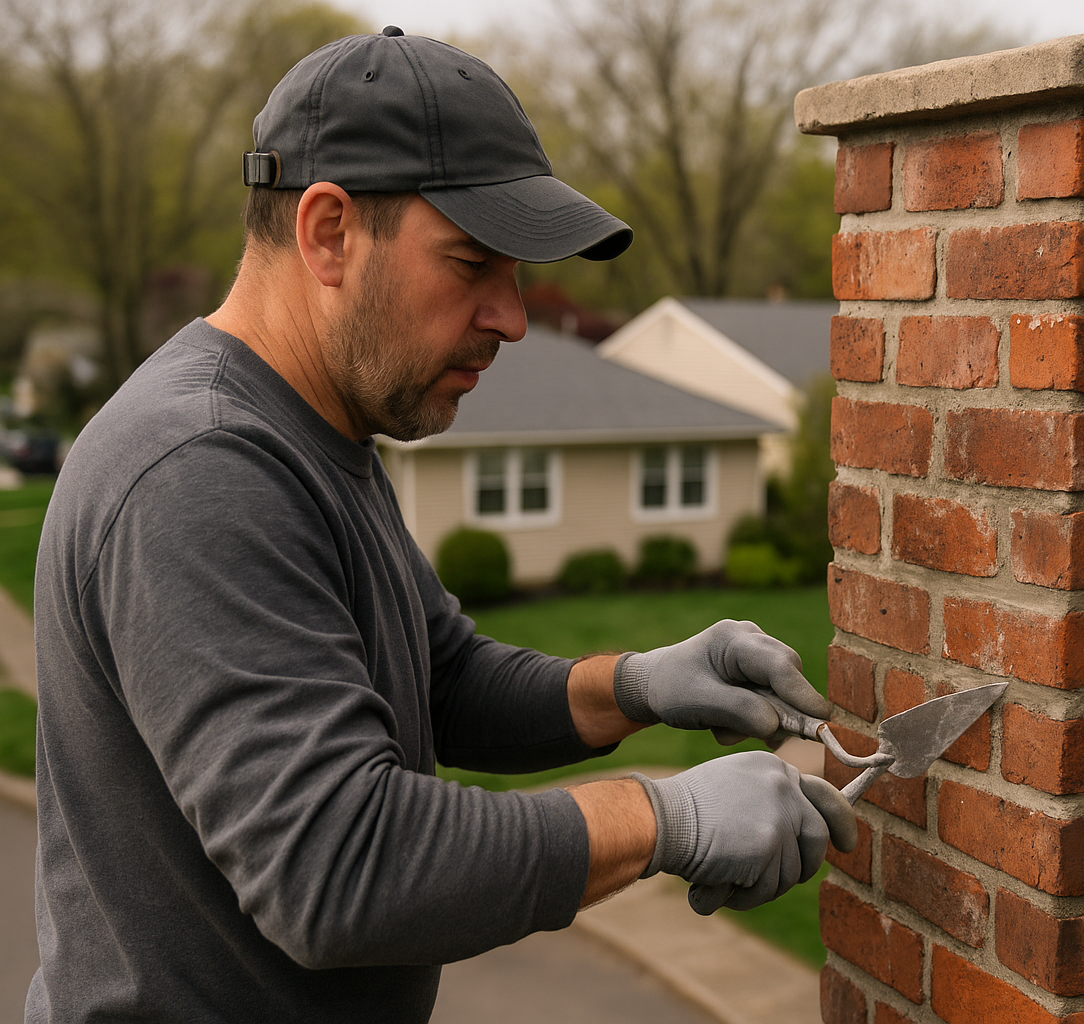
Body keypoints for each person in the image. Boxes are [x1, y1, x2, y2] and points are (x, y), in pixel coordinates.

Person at [28, 27, 854, 1023]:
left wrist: (639, 684)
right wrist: (661, 817)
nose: (513, 316)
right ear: (329, 231)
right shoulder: (198, 468)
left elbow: (439, 678)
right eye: (471, 263)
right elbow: (340, 867)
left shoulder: (316, 428)